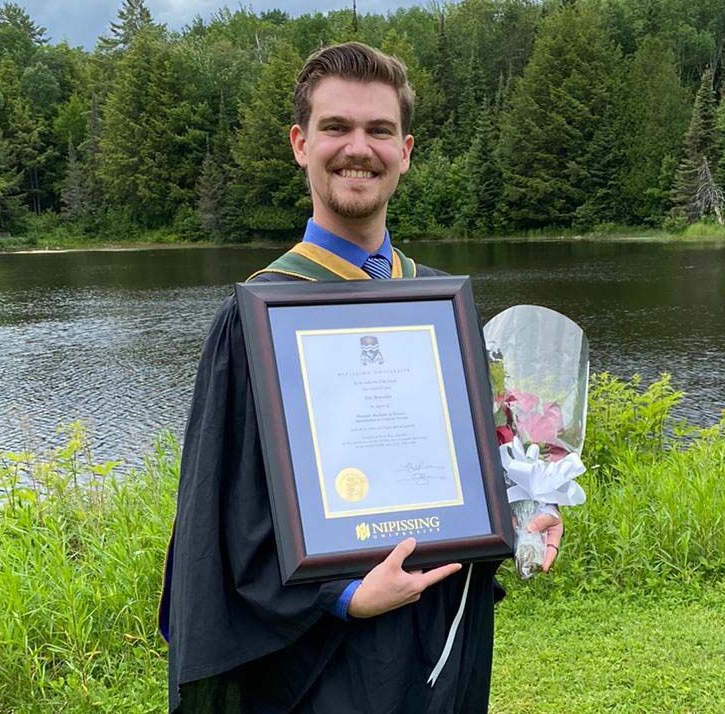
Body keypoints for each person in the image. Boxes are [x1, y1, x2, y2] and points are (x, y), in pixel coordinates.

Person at [159, 42, 564, 714]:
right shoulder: (258, 316)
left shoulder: (437, 304)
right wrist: (342, 596)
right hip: (323, 655)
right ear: (300, 143)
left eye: (379, 130)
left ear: (405, 150)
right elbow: (227, 512)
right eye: (336, 128)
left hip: (444, 624)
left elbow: (464, 463)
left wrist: (520, 514)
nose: (359, 148)